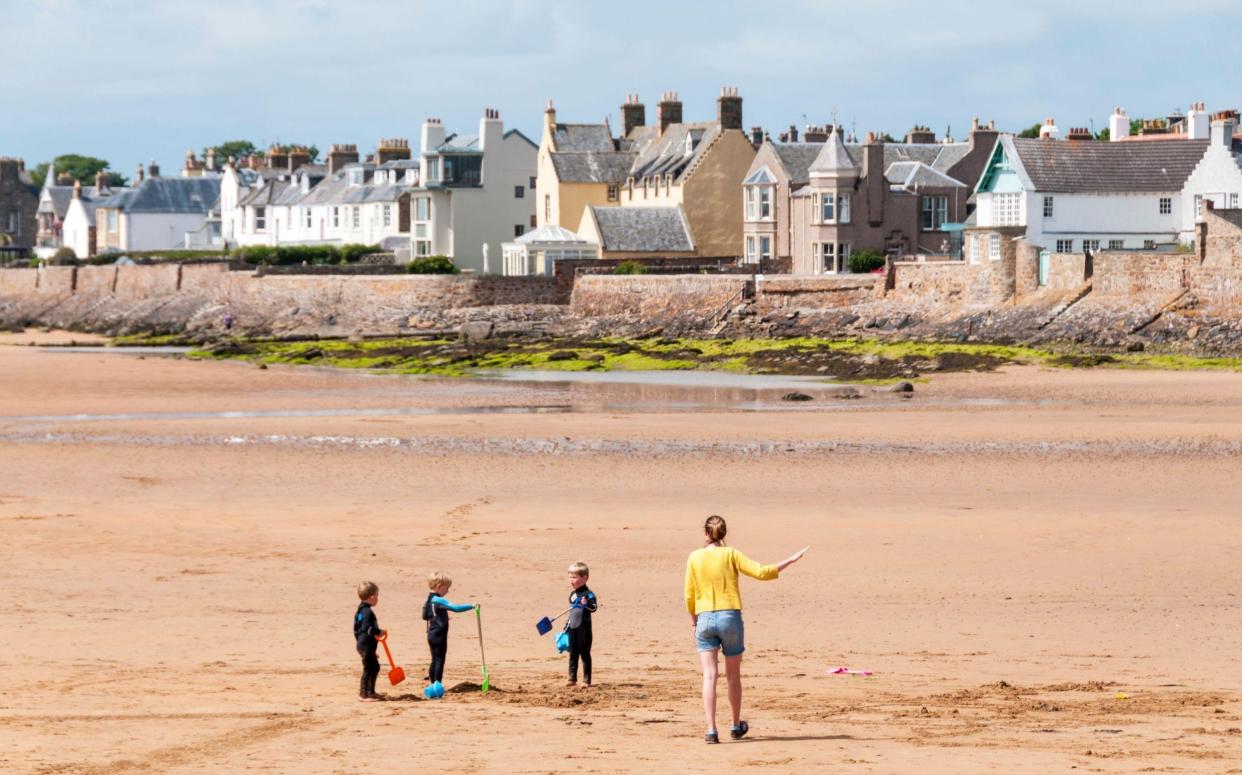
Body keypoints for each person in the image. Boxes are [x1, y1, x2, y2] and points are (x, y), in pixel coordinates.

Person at [684, 515, 808, 743]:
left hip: (704, 618)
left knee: (709, 676)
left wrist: (694, 621)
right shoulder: (730, 554)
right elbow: (761, 572)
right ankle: (735, 724)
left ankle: (711, 729)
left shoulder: (695, 557)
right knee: (733, 676)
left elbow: (689, 594)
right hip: (729, 616)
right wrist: (790, 560)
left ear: (705, 533)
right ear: (723, 534)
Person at [422, 571, 477, 692]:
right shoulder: (439, 600)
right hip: (439, 634)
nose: (447, 591)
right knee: (440, 660)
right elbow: (456, 608)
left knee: (434, 659)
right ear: (438, 586)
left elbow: (425, 616)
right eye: (446, 588)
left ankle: (432, 684)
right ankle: (437, 685)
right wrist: (471, 606)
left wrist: (440, 617)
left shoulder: (427, 601)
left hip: (431, 633)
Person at [564, 561, 599, 687]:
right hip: (573, 629)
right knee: (573, 654)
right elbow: (571, 613)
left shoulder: (588, 595)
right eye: (570, 577)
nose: (571, 580)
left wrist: (586, 604)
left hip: (584, 630)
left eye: (574, 577)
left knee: (584, 654)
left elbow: (594, 608)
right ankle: (572, 678)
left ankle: (586, 680)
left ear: (584, 578)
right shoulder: (573, 595)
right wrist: (566, 628)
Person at [354, 581, 386, 702]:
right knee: (369, 668)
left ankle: (370, 691)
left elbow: (356, 630)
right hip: (365, 645)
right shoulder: (366, 612)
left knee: (375, 667)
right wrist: (379, 632)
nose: (377, 598)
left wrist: (367, 649)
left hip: (365, 645)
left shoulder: (360, 610)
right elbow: (367, 629)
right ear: (372, 597)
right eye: (377, 595)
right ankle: (363, 694)